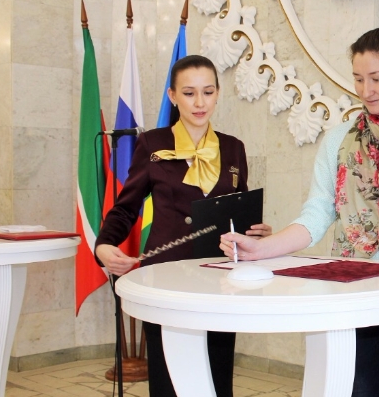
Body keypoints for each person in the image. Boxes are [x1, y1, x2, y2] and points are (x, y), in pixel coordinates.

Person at [219, 27, 379, 397]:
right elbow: (317, 213)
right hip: (353, 291)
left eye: (377, 78)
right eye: (358, 79)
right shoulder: (339, 139)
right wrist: (261, 249)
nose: (366, 90)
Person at [94, 54, 272, 397]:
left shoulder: (233, 148)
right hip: (166, 276)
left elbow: (238, 211)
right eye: (189, 93)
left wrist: (257, 232)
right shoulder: (152, 144)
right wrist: (104, 244)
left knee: (217, 376)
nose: (199, 102)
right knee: (168, 378)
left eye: (208, 92)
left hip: (220, 278)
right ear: (173, 96)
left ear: (218, 93)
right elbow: (126, 208)